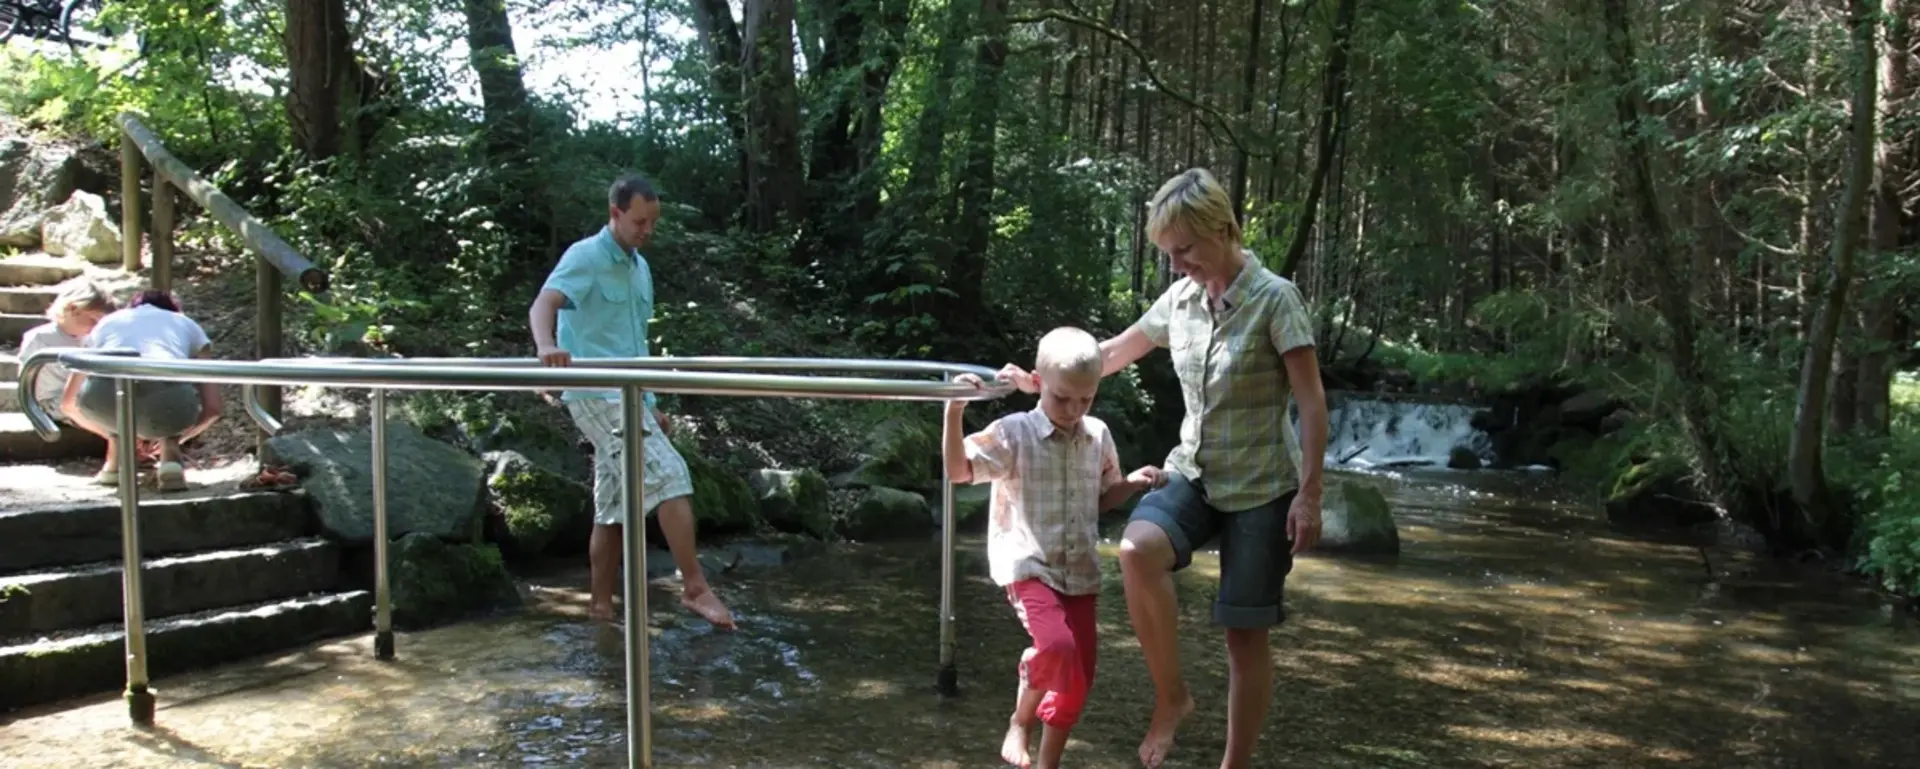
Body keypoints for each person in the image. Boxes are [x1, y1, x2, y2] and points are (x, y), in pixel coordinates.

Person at [997, 168, 1331, 769]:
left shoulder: (1276, 299)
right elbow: (1111, 353)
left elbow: (1311, 402)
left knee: (1242, 634)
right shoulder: (1180, 300)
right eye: (1169, 254)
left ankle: (1235, 764)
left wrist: (1310, 495)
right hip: (1195, 473)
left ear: (1223, 230)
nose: (1177, 265)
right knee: (1136, 550)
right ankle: (1172, 698)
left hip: (1262, 487)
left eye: (1185, 250)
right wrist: (1041, 379)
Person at [946, 327, 1161, 769]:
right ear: (1039, 383)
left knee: (1079, 680)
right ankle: (1020, 719)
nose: (1074, 410)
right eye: (1063, 399)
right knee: (1058, 650)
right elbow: (958, 471)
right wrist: (954, 411)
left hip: (1079, 571)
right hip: (1028, 565)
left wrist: (1132, 485)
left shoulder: (1097, 434)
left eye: (1086, 400)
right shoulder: (1015, 433)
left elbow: (1101, 498)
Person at [527, 172, 735, 631]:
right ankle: (695, 586)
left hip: (630, 396)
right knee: (670, 474)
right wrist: (545, 346)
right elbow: (543, 304)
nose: (647, 231)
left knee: (613, 508)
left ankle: (600, 612)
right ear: (615, 213)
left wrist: (653, 403)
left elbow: (635, 343)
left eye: (652, 223)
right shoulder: (585, 256)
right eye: (639, 221)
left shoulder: (640, 268)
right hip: (595, 394)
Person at [61, 290, 222, 491]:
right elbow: (213, 408)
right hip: (167, 398)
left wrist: (118, 435)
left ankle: (114, 465)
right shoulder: (188, 324)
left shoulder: (108, 322)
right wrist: (179, 437)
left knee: (115, 391)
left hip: (103, 397)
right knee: (171, 396)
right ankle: (170, 458)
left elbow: (67, 403)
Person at [17, 280, 115, 424]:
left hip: (82, 397)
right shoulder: (41, 338)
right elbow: (27, 383)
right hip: (52, 402)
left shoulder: (88, 339)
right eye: (93, 320)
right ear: (72, 309)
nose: (95, 327)